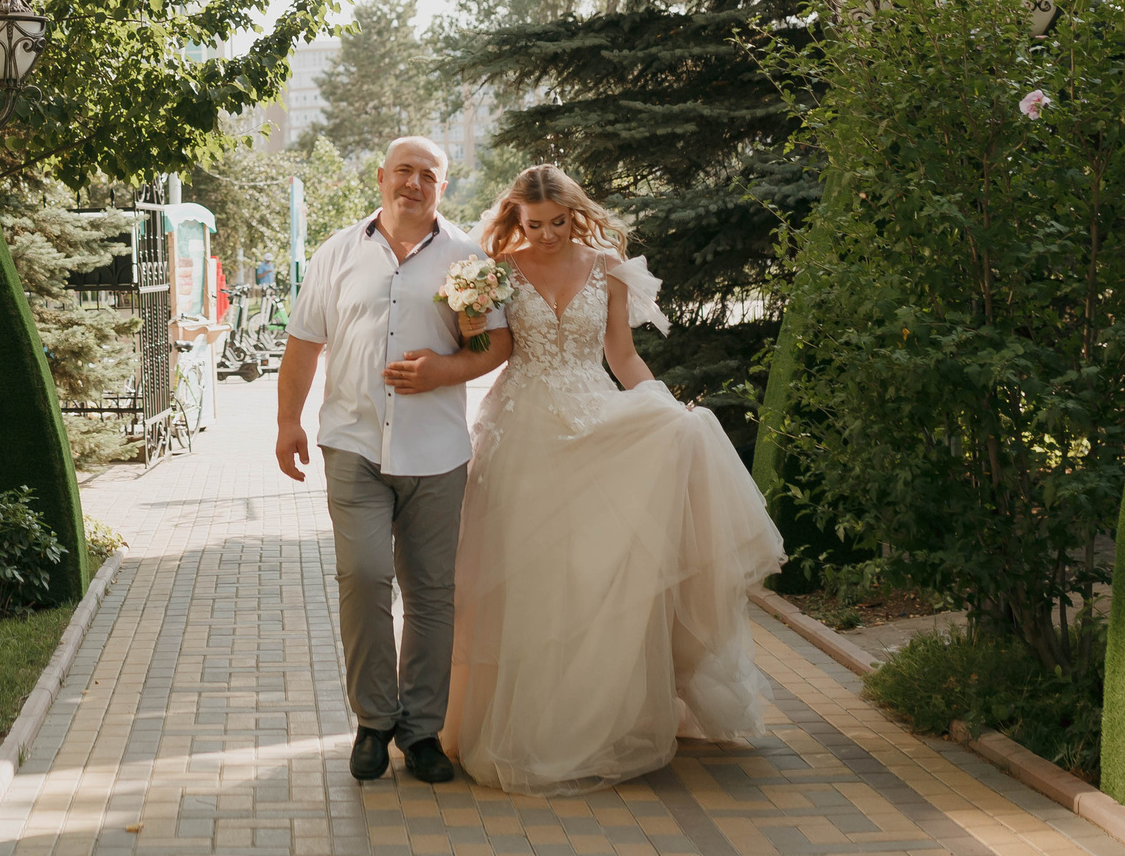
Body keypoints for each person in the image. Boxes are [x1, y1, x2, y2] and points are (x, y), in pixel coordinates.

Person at [383, 163, 784, 794]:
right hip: (524, 430)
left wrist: (659, 404)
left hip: (595, 416)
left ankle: (597, 720)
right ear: (517, 219)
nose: (545, 235)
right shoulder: (499, 272)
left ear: (576, 213)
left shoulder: (607, 268)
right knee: (529, 577)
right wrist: (455, 342)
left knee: (594, 575)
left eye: (557, 222)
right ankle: (521, 724)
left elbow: (621, 353)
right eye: (533, 223)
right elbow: (499, 352)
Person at [274, 135, 509, 784]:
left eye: (427, 174)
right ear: (380, 177)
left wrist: (444, 370)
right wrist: (287, 421)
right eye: (404, 170)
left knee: (433, 593)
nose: (413, 182)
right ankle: (374, 721)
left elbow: (496, 345)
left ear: (443, 185)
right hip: (352, 443)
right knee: (366, 577)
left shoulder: (468, 259)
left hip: (437, 453)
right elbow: (302, 345)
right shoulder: (337, 253)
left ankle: (423, 730)